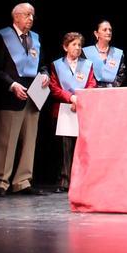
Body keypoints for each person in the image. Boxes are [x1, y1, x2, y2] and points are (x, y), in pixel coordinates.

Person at [0, 2, 49, 196]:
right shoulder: (2, 36)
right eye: (26, 14)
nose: (31, 18)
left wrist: (45, 74)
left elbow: (41, 65)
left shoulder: (35, 39)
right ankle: (0, 182)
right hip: (10, 95)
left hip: (33, 97)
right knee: (6, 142)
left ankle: (22, 181)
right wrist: (12, 84)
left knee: (29, 142)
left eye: (32, 15)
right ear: (16, 17)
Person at [48, 32, 95, 192]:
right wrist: (70, 98)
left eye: (79, 45)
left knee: (81, 147)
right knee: (64, 148)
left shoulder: (87, 64)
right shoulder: (57, 65)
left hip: (82, 109)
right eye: (74, 44)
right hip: (63, 110)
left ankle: (80, 181)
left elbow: (91, 84)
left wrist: (80, 99)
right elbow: (54, 87)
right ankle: (64, 181)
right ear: (65, 47)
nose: (77, 48)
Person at [82, 19, 125, 87]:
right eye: (105, 30)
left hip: (112, 91)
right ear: (96, 33)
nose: (108, 32)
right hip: (93, 90)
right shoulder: (86, 53)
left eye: (110, 30)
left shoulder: (118, 53)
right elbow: (83, 75)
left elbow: (121, 75)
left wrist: (109, 88)